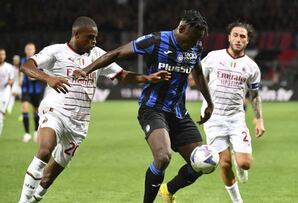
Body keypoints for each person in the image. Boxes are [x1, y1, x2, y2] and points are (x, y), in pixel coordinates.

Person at [18, 16, 170, 203]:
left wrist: (148, 78)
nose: (94, 41)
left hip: (79, 124)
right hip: (55, 111)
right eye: (89, 37)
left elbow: (121, 75)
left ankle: (33, 199)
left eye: (95, 37)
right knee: (44, 151)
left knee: (48, 178)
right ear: (76, 34)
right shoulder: (56, 51)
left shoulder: (98, 55)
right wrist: (48, 78)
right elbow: (26, 66)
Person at [73, 10, 214, 203]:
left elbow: (197, 72)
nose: (191, 45)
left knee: (204, 163)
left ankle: (168, 190)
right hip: (152, 108)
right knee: (163, 157)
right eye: (189, 40)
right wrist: (86, 69)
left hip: (179, 113)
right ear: (181, 28)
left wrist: (209, 102)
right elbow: (116, 53)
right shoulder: (156, 41)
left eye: (195, 42)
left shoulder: (195, 45)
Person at [201, 21, 265, 203]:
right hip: (213, 119)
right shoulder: (213, 57)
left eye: (242, 36)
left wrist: (259, 119)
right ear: (228, 37)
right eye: (235, 35)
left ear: (247, 41)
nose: (238, 39)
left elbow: (254, 95)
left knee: (245, 163)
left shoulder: (252, 67)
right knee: (225, 162)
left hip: (236, 118)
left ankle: (242, 167)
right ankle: (238, 201)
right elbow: (197, 76)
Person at [20, 42, 45, 143]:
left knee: (35, 111)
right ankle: (26, 133)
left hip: (37, 90)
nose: (30, 51)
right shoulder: (22, 61)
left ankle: (35, 131)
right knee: (25, 108)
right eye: (28, 49)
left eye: (32, 49)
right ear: (25, 50)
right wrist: (20, 79)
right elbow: (19, 72)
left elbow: (43, 73)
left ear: (34, 50)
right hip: (25, 89)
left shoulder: (39, 61)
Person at [0, 48, 14, 137]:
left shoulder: (9, 67)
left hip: (5, 92)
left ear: (5, 56)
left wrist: (8, 82)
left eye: (2, 54)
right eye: (0, 54)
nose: (1, 56)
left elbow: (11, 80)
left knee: (1, 114)